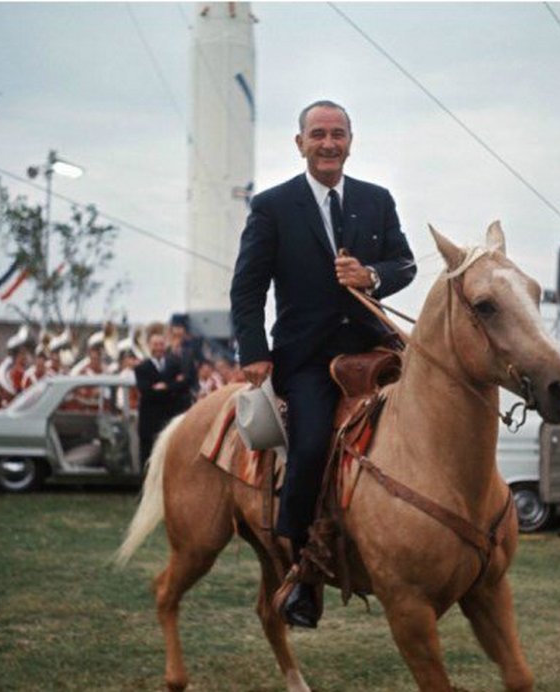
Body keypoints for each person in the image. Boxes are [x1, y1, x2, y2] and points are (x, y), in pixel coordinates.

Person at [230, 99, 416, 628]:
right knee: (311, 446)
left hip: (376, 349)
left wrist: (371, 277)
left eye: (337, 134)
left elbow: (404, 264)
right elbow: (247, 290)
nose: (328, 143)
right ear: (301, 144)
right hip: (308, 358)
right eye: (318, 134)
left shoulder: (377, 201)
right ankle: (303, 575)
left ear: (350, 141)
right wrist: (255, 354)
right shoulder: (271, 206)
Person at [134, 326, 196, 467]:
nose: (158, 348)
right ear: (149, 346)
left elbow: (185, 385)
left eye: (161, 344)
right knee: (147, 460)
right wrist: (172, 386)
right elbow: (146, 391)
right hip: (149, 423)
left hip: (168, 419)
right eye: (155, 344)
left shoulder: (175, 364)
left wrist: (165, 387)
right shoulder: (142, 368)